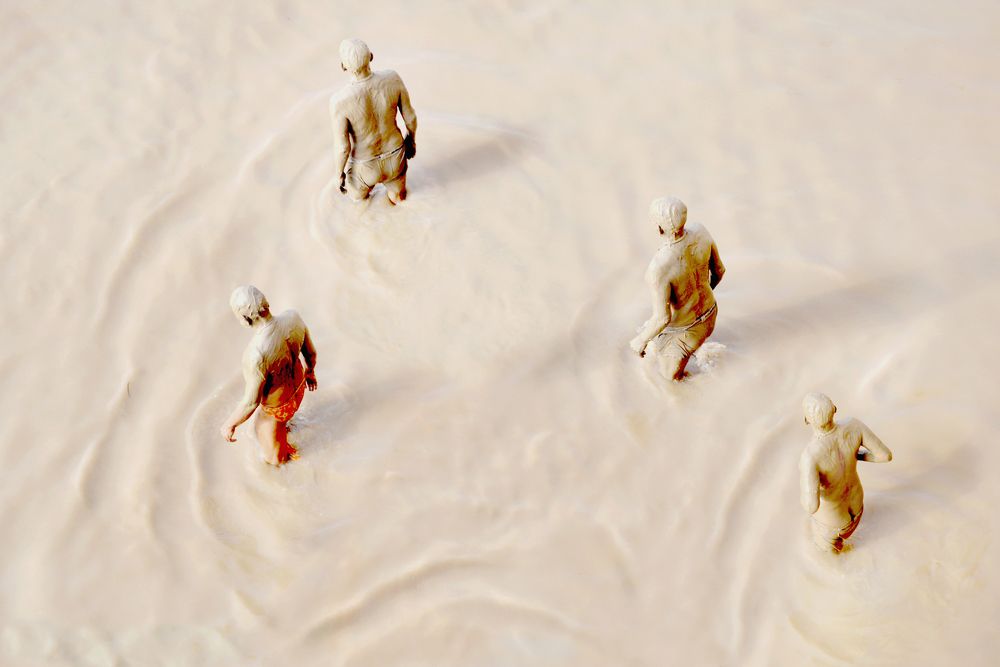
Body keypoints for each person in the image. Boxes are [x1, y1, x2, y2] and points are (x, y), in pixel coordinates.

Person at [630, 197, 725, 380]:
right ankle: (696, 346)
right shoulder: (701, 231)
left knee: (670, 380)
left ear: (659, 228)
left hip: (686, 333)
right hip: (711, 314)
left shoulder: (658, 268)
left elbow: (662, 318)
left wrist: (639, 341)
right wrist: (698, 298)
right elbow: (719, 271)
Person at [220, 286, 318, 466]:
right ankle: (284, 428)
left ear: (245, 318)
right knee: (280, 425)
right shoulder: (293, 317)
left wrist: (229, 424)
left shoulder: (255, 355)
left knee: (273, 459)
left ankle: (288, 465)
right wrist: (310, 373)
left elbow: (251, 403)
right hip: (299, 389)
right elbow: (311, 354)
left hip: (277, 409)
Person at [799, 393, 893, 552]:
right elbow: (885, 456)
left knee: (826, 558)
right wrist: (856, 454)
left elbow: (811, 506)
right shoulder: (854, 425)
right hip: (858, 508)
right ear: (834, 408)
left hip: (834, 524)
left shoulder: (810, 456)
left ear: (806, 420)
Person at [331, 38, 418, 205]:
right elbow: (411, 118)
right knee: (399, 201)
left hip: (364, 167)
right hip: (395, 157)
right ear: (371, 56)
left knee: (360, 203)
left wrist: (338, 175)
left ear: (343, 66)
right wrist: (411, 142)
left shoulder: (339, 101)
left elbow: (343, 148)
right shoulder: (392, 78)